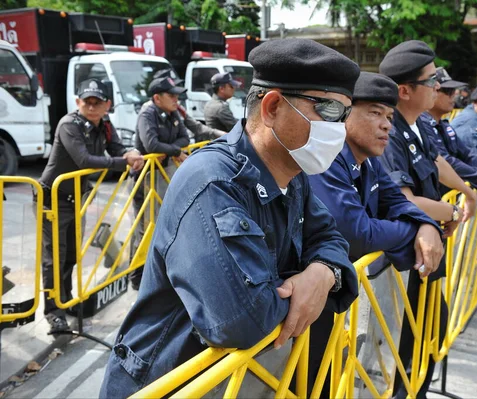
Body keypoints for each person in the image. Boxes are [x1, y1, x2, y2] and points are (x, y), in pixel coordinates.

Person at [100, 38, 360, 398]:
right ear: (271, 107)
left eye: (346, 115)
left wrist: (322, 274)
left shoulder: (293, 173)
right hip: (170, 384)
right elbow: (245, 320)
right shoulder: (212, 182)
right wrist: (313, 284)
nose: (340, 129)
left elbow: (331, 237)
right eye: (330, 111)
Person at [308, 71, 445, 397]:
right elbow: (358, 233)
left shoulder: (367, 160)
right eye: (374, 113)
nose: (386, 125)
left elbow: (396, 199)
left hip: (338, 295)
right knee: (317, 382)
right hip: (311, 302)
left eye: (389, 116)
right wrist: (415, 229)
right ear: (344, 112)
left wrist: (427, 225)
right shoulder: (330, 158)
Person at [378, 40, 477, 399]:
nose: (439, 85)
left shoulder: (417, 124)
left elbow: (436, 163)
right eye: (431, 79)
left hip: (429, 246)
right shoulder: (388, 132)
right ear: (404, 90)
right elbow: (405, 200)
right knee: (410, 341)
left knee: (430, 331)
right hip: (406, 262)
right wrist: (450, 211)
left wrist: (467, 192)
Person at [38, 79, 144, 333]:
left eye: (98, 102)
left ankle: (66, 300)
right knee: (54, 257)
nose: (92, 107)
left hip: (76, 196)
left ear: (107, 105)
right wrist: (123, 161)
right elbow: (84, 160)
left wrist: (130, 152)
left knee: (71, 254)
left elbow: (117, 147)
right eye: (87, 102)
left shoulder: (104, 125)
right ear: (78, 102)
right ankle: (53, 312)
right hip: (53, 197)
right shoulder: (69, 124)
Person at [129, 76, 191, 290]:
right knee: (143, 228)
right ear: (157, 97)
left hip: (163, 175)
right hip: (145, 178)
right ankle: (137, 276)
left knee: (162, 224)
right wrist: (175, 150)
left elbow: (186, 138)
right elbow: (151, 144)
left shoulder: (172, 112)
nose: (176, 99)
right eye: (171, 95)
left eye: (177, 95)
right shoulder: (147, 113)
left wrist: (170, 148)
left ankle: (156, 273)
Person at [421, 67, 477, 199]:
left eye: (453, 92)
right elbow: (446, 161)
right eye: (447, 91)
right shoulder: (422, 124)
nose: (453, 96)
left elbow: (467, 154)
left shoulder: (443, 125)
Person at [142, 69, 226, 143]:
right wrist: (173, 150)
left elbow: (195, 127)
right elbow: (152, 144)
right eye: (171, 94)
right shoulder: (149, 110)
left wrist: (218, 133)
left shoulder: (176, 108)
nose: (176, 97)